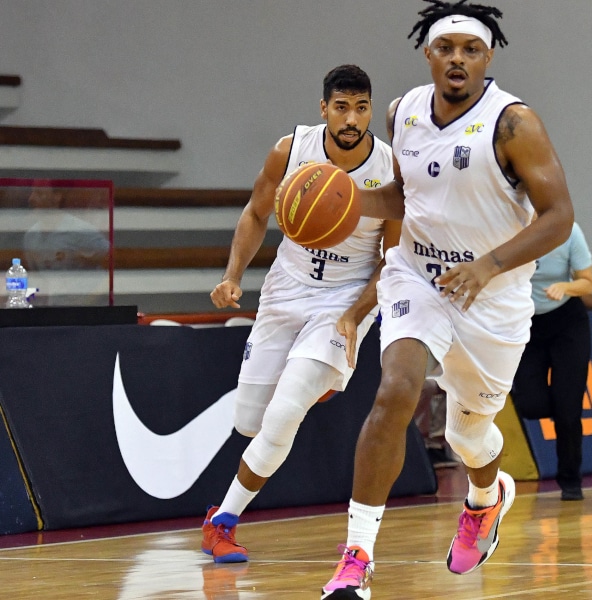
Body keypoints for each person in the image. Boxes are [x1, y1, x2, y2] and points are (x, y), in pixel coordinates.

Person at [319, 2, 574, 597]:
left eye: (470, 49)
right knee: (394, 391)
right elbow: (406, 198)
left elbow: (560, 217)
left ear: (487, 58)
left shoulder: (514, 124)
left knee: (468, 435)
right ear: (428, 54)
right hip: (418, 276)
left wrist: (488, 266)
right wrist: (344, 201)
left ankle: (487, 497)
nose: (457, 58)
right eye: (445, 48)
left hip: (495, 293)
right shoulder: (401, 111)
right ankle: (356, 557)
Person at [200, 65, 400, 564]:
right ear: (323, 109)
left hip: (343, 298)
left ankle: (221, 521)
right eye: (341, 107)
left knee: (286, 412)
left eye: (361, 107)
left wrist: (355, 316)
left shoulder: (391, 170)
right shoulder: (291, 150)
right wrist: (232, 275)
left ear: (370, 109)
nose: (351, 118)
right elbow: (255, 212)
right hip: (286, 288)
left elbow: (390, 263)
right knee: (250, 422)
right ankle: (321, 375)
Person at [511, 221, 592, 501]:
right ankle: (560, 406)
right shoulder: (509, 228)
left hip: (567, 321)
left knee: (569, 408)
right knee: (529, 403)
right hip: (527, 322)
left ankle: (571, 482)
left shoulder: (569, 231)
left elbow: (588, 282)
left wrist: (565, 286)